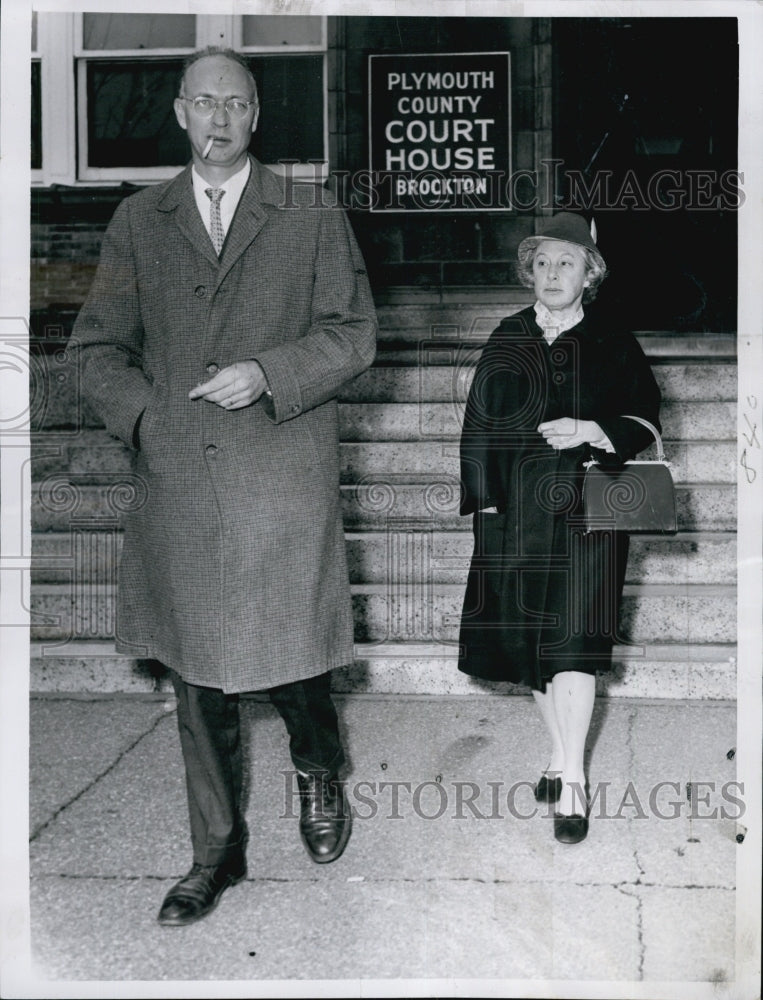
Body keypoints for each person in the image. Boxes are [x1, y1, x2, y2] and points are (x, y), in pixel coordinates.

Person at [72, 47, 377, 924]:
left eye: (235, 104)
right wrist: (147, 418)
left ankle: (320, 770)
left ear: (255, 117)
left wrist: (267, 372)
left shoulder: (309, 211)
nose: (218, 118)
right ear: (178, 113)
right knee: (197, 679)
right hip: (179, 479)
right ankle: (216, 853)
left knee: (294, 669)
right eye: (203, 103)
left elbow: (353, 334)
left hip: (278, 473)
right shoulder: (138, 220)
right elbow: (96, 349)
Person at [457, 212, 661, 844]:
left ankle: (572, 777)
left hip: (590, 511)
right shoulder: (506, 338)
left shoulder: (613, 340)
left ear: (589, 274)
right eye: (542, 263)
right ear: (530, 272)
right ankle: (557, 750)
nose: (552, 274)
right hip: (515, 514)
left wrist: (594, 430)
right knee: (530, 647)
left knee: (573, 644)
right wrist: (485, 506)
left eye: (566, 263)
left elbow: (646, 417)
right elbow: (478, 428)